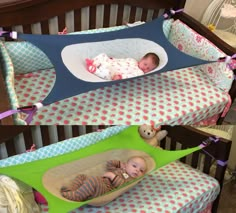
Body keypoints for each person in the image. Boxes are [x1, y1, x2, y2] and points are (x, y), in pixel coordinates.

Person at [60, 156, 147, 201]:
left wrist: (112, 176)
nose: (137, 170)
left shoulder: (130, 180)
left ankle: (77, 196)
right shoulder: (118, 169)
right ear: (126, 165)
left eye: (141, 170)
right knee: (82, 177)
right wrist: (120, 164)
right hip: (100, 183)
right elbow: (109, 164)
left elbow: (122, 185)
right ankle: (74, 190)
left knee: (93, 180)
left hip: (104, 190)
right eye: (134, 166)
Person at [85, 52, 159, 80]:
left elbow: (130, 76)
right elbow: (122, 60)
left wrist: (120, 77)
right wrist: (113, 60)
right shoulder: (132, 60)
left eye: (148, 69)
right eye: (145, 64)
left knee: (107, 73)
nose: (145, 68)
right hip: (112, 63)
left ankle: (95, 70)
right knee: (103, 55)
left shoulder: (139, 73)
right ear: (142, 59)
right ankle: (93, 63)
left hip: (115, 73)